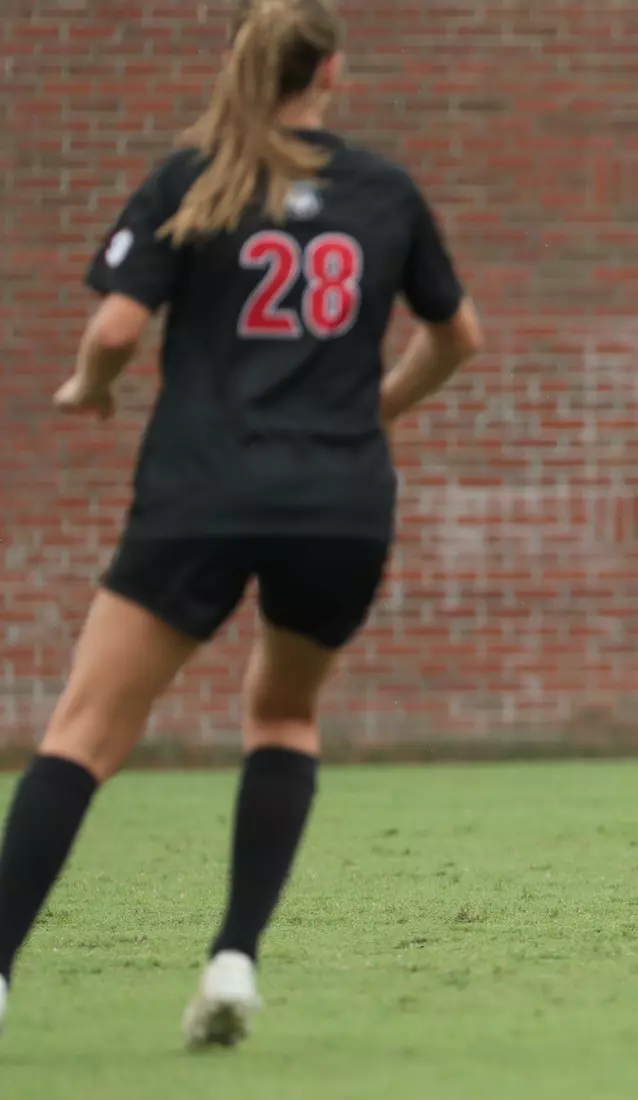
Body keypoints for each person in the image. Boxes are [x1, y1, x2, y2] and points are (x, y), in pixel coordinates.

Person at [0, 0, 481, 1048]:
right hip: (339, 505)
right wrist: (375, 411)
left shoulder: (193, 177)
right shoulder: (384, 190)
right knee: (283, 716)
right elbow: (457, 337)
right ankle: (232, 960)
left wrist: (89, 387)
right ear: (331, 72)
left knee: (83, 732)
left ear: (237, 65)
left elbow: (115, 328)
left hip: (202, 492)